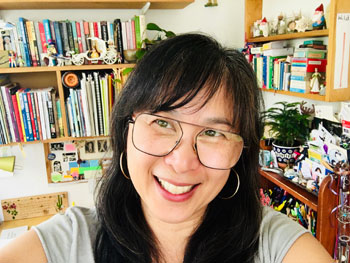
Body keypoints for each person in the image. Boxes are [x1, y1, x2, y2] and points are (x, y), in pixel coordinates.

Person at [0, 33, 333, 263]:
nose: (182, 162)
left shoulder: (274, 244)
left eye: (214, 133)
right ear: (125, 132)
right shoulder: (70, 242)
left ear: (241, 153)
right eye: (162, 122)